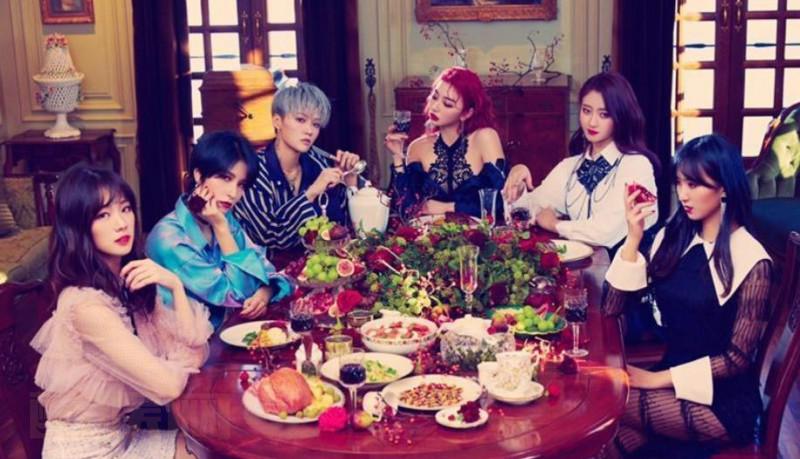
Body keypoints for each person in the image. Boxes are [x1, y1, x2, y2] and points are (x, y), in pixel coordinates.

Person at [603, 134, 772, 457]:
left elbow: (737, 359)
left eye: (694, 184)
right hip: (672, 377)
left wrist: (655, 380)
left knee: (603, 400)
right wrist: (633, 237)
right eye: (679, 183)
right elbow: (611, 308)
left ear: (724, 187)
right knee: (609, 442)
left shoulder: (752, 259)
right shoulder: (673, 237)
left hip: (722, 402)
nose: (683, 194)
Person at [32, 167, 211, 458]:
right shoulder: (86, 306)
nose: (121, 224)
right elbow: (167, 387)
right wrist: (175, 364)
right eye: (103, 215)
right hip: (84, 451)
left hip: (122, 435)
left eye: (125, 209)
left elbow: (195, 348)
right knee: (206, 451)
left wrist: (175, 286)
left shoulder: (126, 283)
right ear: (78, 226)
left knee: (209, 447)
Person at [147, 131, 292, 330]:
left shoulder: (222, 217)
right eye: (225, 178)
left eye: (241, 185)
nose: (233, 193)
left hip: (228, 331)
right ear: (198, 175)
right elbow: (237, 295)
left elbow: (269, 272)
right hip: (188, 341)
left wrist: (265, 292)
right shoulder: (169, 239)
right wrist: (222, 228)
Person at [503, 71, 660, 249]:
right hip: (582, 263)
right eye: (586, 111)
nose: (592, 122)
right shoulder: (570, 166)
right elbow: (530, 209)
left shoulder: (636, 165)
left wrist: (555, 225)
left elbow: (606, 233)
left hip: (623, 264)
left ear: (620, 117)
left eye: (604, 114)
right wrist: (519, 187)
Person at [234, 82, 362, 255]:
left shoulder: (319, 164)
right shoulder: (254, 169)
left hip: (318, 267)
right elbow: (268, 236)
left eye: (316, 124)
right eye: (300, 120)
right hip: (264, 268)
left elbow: (341, 230)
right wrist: (311, 193)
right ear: (277, 121)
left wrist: (349, 183)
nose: (309, 131)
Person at [384, 66, 506, 219]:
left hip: (479, 233)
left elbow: (501, 201)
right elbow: (405, 210)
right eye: (434, 97)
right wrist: (397, 157)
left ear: (466, 113)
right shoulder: (417, 147)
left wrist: (448, 207)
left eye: (447, 104)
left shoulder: (484, 137)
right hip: (428, 233)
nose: (435, 107)